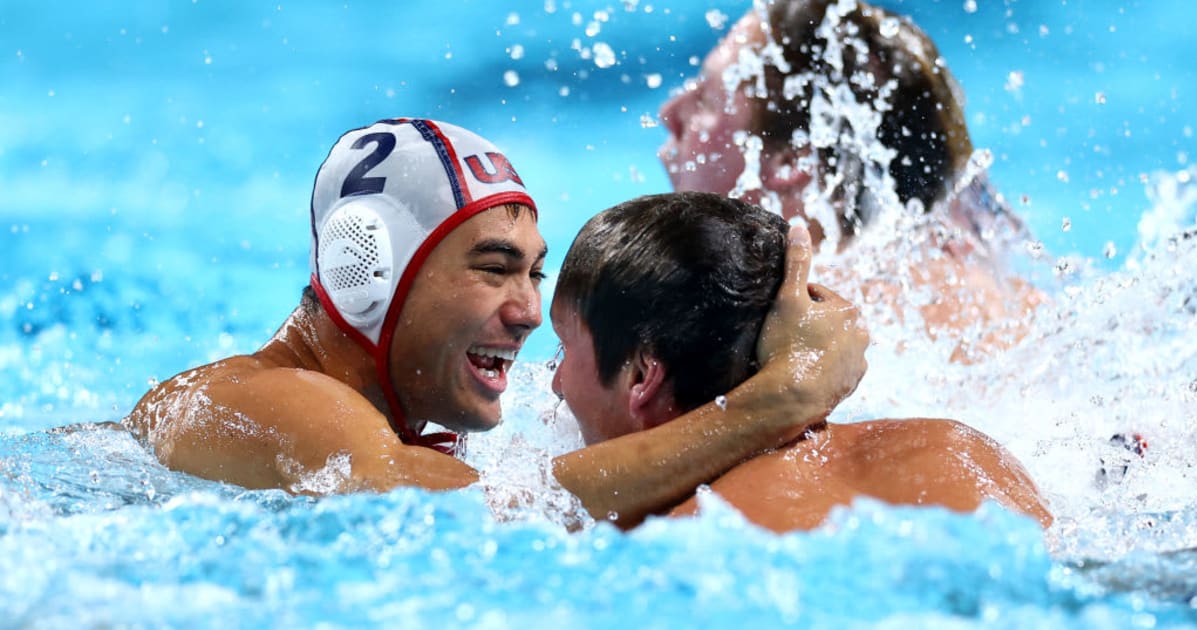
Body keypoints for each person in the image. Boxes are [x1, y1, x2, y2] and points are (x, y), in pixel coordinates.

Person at [123, 118, 869, 529]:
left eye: (535, 272)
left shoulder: (400, 420)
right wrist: (783, 399)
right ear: (372, 274)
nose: (529, 313)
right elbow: (485, 515)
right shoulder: (273, 399)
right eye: (493, 267)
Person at [550, 191, 1053, 532]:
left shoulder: (692, 531)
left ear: (642, 375)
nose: (554, 383)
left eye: (564, 348)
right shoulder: (959, 448)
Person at [657, 0, 1045, 356]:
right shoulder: (995, 296)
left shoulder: (786, 328)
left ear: (791, 159)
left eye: (706, 99)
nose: (670, 113)